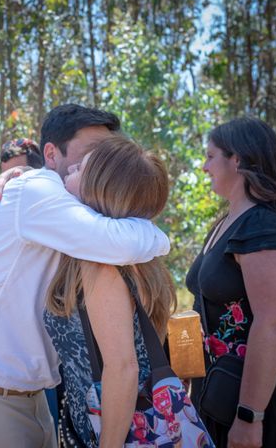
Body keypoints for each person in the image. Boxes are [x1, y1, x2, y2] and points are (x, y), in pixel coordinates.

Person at [0, 104, 170, 448]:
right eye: (92, 153)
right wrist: (160, 237)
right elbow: (115, 241)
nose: (102, 162)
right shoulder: (35, 189)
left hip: (33, 397)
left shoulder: (76, 211)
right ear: (51, 154)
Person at [186, 117, 276, 447]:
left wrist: (250, 417)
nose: (203, 166)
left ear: (237, 159)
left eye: (211, 156)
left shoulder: (262, 225)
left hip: (268, 401)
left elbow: (273, 325)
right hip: (222, 392)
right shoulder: (227, 221)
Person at [44, 136, 177, 447]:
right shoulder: (135, 253)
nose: (69, 171)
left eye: (80, 169)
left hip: (115, 432)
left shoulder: (102, 264)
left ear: (99, 188)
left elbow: (123, 369)